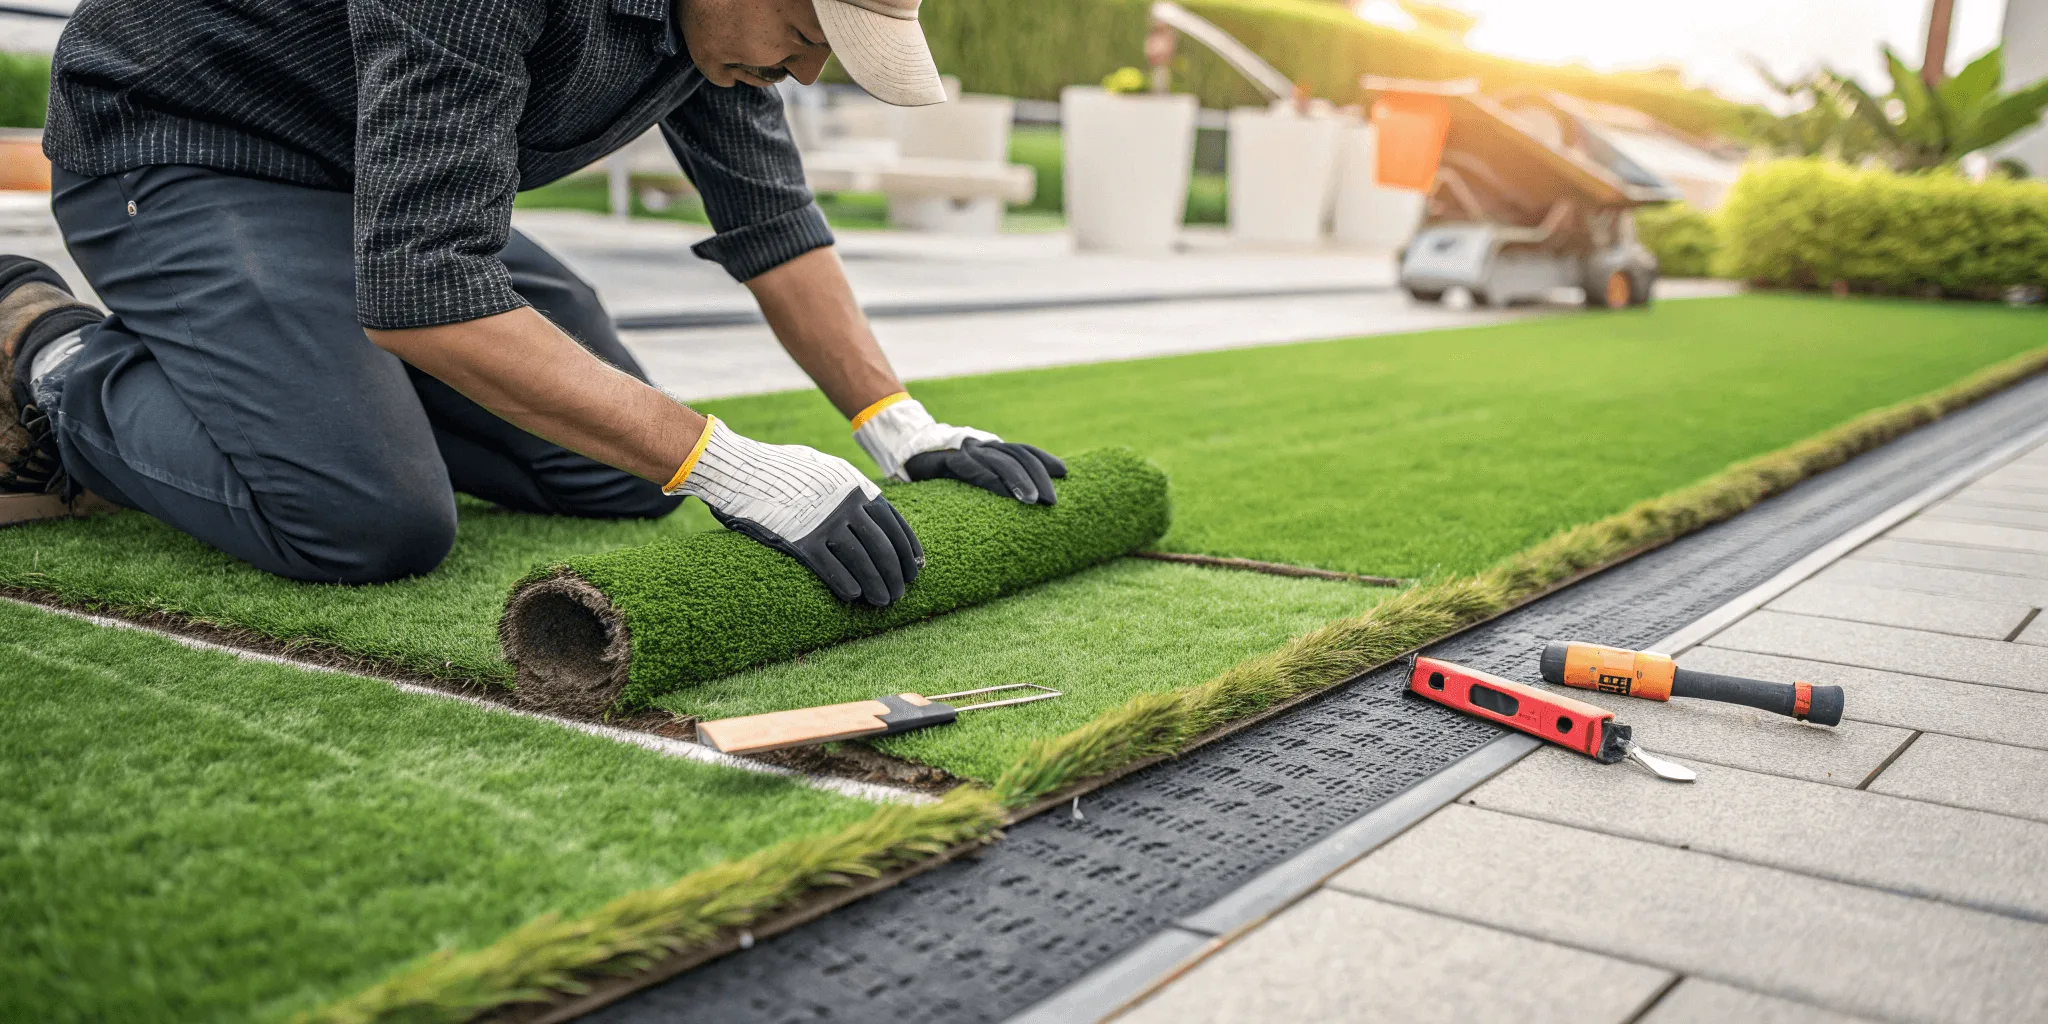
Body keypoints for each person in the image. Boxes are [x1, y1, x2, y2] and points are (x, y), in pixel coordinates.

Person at [0, 0, 1063, 608]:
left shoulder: (721, 30)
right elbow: (427, 291)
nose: (811, 66)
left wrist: (897, 423)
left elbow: (771, 218)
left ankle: (274, 371)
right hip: (185, 146)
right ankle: (47, 353)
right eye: (804, 24)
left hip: (370, 182)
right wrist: (732, 465)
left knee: (627, 474)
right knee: (369, 520)